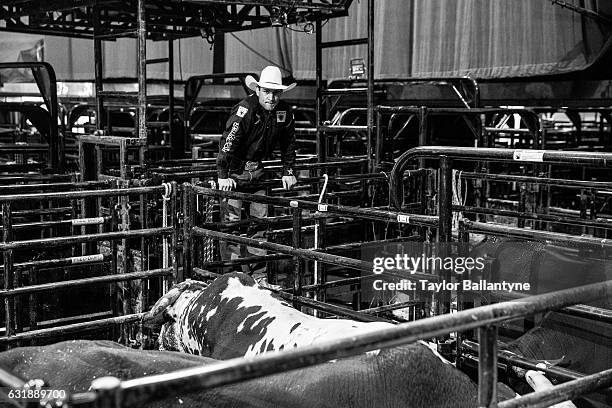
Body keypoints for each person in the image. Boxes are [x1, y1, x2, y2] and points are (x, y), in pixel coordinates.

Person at [216, 65, 298, 286]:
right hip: (235, 170)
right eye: (267, 92)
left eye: (276, 92)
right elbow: (228, 141)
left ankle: (258, 276)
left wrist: (288, 170)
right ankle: (230, 277)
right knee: (232, 222)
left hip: (257, 171)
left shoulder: (285, 112)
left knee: (260, 223)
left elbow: (289, 142)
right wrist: (223, 174)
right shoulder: (245, 109)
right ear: (258, 91)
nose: (271, 97)